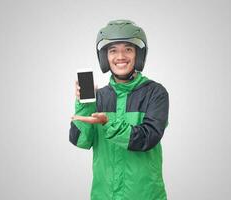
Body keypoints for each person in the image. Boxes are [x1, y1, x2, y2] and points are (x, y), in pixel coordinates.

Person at [69, 19, 169, 200]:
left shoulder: (155, 93)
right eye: (113, 50)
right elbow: (80, 141)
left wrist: (108, 123)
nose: (120, 56)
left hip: (144, 195)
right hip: (104, 195)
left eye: (128, 49)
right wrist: (84, 105)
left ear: (138, 55)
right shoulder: (99, 97)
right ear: (105, 57)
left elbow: (148, 138)